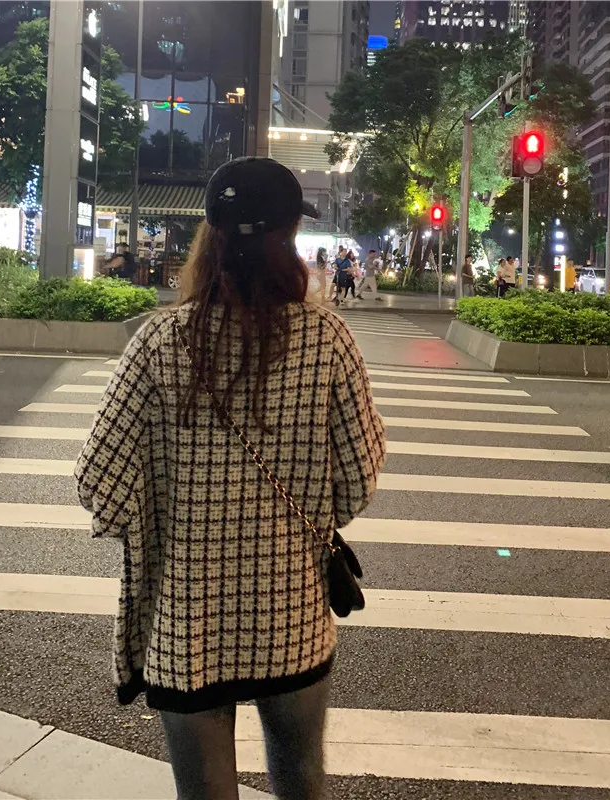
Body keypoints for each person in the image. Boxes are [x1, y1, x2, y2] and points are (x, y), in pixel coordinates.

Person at [75, 156, 386, 800]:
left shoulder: (159, 341)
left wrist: (169, 502)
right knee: (301, 779)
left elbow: (98, 486)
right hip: (291, 612)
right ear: (291, 237)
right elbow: (357, 484)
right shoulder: (328, 339)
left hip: (187, 621)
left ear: (208, 236)